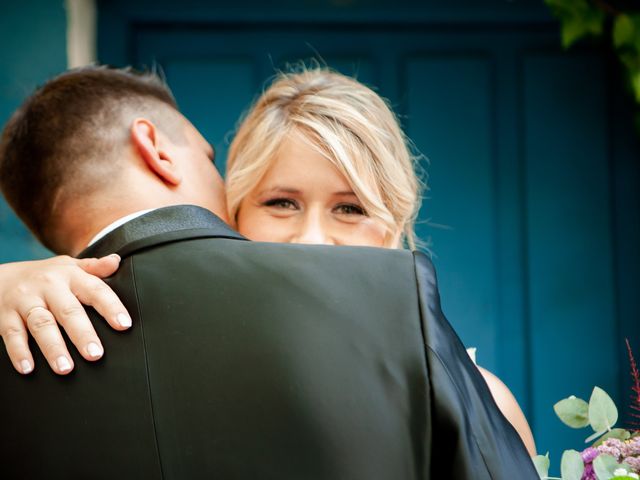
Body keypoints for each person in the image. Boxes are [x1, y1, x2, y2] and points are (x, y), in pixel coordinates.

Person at [0, 66, 538, 478]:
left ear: (395, 224)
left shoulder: (475, 393)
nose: (311, 239)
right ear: (233, 212)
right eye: (281, 203)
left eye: (351, 209)